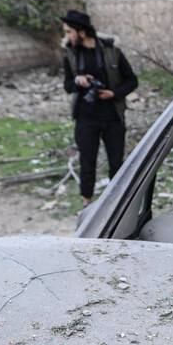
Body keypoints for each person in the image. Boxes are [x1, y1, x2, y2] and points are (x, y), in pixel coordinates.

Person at [60, 10, 139, 205]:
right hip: (85, 117)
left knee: (116, 164)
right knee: (87, 163)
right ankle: (87, 203)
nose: (66, 36)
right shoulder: (70, 55)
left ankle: (117, 204)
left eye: (69, 32)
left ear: (82, 33)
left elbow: (132, 81)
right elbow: (68, 86)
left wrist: (113, 93)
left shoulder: (112, 52)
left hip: (112, 116)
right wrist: (78, 81)